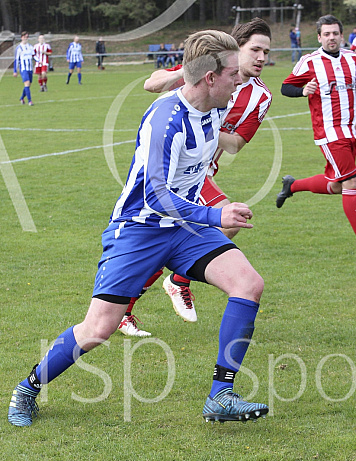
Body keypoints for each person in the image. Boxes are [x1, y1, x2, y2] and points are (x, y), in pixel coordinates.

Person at [8, 29, 270, 427]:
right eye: (233, 74)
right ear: (210, 78)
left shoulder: (215, 102)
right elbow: (156, 196)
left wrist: (192, 68)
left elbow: (190, 78)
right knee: (99, 328)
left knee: (248, 284)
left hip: (182, 228)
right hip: (139, 229)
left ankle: (221, 395)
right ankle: (27, 389)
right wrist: (216, 215)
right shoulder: (166, 120)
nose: (240, 81)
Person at [128, 18, 273, 337]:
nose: (262, 57)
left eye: (266, 51)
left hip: (203, 174)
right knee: (227, 222)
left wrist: (207, 124)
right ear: (238, 48)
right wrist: (192, 74)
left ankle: (156, 290)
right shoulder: (207, 71)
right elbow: (151, 83)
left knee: (177, 238)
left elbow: (235, 144)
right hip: (176, 169)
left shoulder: (261, 97)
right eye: (255, 50)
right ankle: (175, 282)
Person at [277, 14, 356, 254]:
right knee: (351, 181)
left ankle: (292, 186)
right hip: (329, 132)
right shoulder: (310, 61)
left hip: (351, 129)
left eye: (335, 33)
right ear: (319, 37)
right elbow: (285, 87)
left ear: (341, 35)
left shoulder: (352, 57)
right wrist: (303, 91)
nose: (331, 38)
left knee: (337, 185)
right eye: (326, 34)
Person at [13, 31, 35, 106]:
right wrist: (15, 71)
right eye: (24, 37)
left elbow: (34, 55)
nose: (26, 38)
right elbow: (16, 60)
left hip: (30, 68)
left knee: (28, 85)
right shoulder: (18, 48)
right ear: (22, 37)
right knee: (27, 83)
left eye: (27, 37)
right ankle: (30, 101)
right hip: (23, 68)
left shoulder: (30, 47)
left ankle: (22, 98)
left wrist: (39, 61)